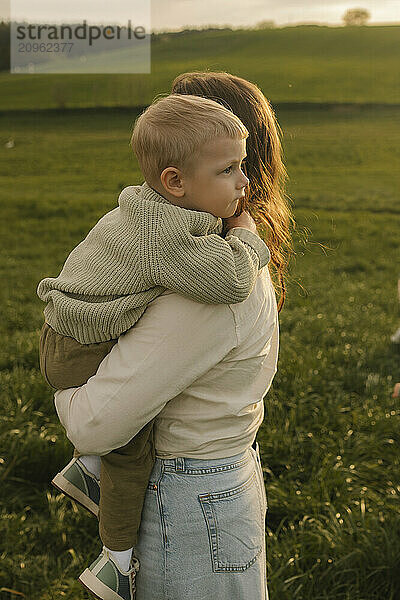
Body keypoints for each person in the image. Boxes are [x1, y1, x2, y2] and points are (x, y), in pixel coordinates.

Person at [51, 72, 295, 600]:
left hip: (189, 496)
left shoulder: (208, 284)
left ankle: (108, 552)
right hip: (220, 483)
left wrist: (70, 404)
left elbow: (94, 424)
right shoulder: (217, 244)